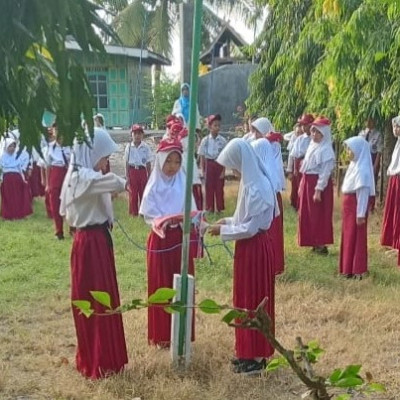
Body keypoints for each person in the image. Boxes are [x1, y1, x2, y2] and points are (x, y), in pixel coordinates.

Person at [59, 128, 128, 379]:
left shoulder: (85, 175)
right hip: (90, 244)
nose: (106, 162)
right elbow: (115, 182)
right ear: (91, 152)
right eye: (104, 156)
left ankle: (108, 358)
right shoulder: (82, 177)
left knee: (104, 299)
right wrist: (124, 182)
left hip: (95, 240)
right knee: (95, 300)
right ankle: (98, 360)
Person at [208, 138, 277, 376]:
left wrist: (224, 231)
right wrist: (225, 222)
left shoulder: (258, 188)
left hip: (255, 248)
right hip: (247, 249)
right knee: (244, 299)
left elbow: (251, 228)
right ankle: (246, 351)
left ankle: (256, 357)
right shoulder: (251, 183)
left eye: (235, 166)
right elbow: (242, 219)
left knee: (254, 299)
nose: (234, 171)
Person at [139, 138, 198, 347]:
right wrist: (163, 221)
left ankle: (182, 334)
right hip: (161, 240)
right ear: (160, 161)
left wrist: (186, 218)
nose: (172, 166)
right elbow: (149, 213)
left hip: (180, 239)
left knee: (183, 284)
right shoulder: (154, 185)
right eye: (168, 161)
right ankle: (162, 335)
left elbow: (192, 210)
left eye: (176, 161)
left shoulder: (183, 183)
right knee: (161, 285)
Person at [298, 117, 335, 254]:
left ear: (324, 134)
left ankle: (321, 242)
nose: (314, 134)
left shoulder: (326, 150)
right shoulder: (312, 146)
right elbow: (306, 167)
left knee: (319, 214)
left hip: (318, 184)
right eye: (313, 131)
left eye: (317, 132)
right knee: (307, 213)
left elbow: (325, 172)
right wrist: (303, 183)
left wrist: (318, 190)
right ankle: (312, 240)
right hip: (308, 182)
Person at [339, 136, 374, 279]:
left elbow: (363, 193)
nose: (347, 151)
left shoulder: (362, 169)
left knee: (356, 237)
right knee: (348, 236)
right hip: (349, 209)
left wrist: (360, 214)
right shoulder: (354, 166)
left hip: (355, 208)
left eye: (350, 149)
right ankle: (347, 268)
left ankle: (356, 269)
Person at [251, 138, 284, 275]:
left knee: (271, 238)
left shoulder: (267, 173)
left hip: (268, 211)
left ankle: (273, 265)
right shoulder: (265, 170)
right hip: (269, 209)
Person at [44, 124, 71, 239]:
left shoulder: (69, 147)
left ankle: (73, 228)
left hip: (67, 173)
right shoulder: (49, 147)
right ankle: (59, 231)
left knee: (70, 202)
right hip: (55, 174)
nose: (58, 131)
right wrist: (47, 183)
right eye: (56, 129)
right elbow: (47, 166)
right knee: (55, 203)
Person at [381, 116, 400, 266]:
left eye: (398, 127)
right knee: (394, 211)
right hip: (395, 179)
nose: (396, 130)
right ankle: (395, 243)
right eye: (394, 127)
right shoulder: (397, 144)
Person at [198, 114, 227, 213]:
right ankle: (209, 208)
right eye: (215, 125)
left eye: (219, 125)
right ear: (210, 127)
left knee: (219, 187)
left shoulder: (223, 141)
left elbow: (225, 157)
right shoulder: (205, 141)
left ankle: (220, 208)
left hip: (219, 163)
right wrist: (203, 170)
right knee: (209, 187)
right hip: (209, 164)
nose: (217, 127)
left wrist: (223, 171)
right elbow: (202, 155)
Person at [266, 131, 286, 275]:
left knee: (272, 233)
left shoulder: (273, 164)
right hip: (268, 198)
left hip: (271, 199)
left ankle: (274, 264)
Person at [0, 138, 33, 220]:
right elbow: (1, 170)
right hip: (7, 179)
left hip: (17, 178)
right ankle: (9, 214)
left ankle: (19, 214)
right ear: (6, 146)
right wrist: (1, 180)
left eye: (13, 146)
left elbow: (20, 169)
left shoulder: (17, 156)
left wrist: (23, 179)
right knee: (8, 197)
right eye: (10, 146)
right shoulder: (2, 157)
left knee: (18, 196)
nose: (12, 148)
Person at [124, 124, 152, 216]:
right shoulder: (129, 147)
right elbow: (126, 163)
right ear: (131, 134)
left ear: (142, 135)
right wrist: (127, 176)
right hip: (133, 171)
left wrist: (149, 176)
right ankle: (133, 213)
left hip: (142, 171)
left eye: (139, 133)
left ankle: (143, 212)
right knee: (133, 193)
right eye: (135, 133)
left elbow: (148, 163)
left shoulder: (146, 147)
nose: (137, 136)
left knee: (143, 192)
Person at [291, 114, 315, 210]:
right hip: (300, 163)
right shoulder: (300, 139)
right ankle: (299, 205)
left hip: (311, 164)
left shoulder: (315, 138)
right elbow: (294, 155)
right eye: (302, 125)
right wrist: (294, 168)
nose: (303, 128)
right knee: (299, 185)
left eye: (305, 125)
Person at [358, 118, 382, 211]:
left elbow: (379, 151)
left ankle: (371, 205)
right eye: (366, 120)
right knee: (362, 181)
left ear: (374, 122)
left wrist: (376, 164)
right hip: (362, 160)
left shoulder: (378, 134)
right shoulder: (361, 134)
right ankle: (362, 203)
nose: (368, 122)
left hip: (372, 158)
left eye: (370, 120)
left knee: (372, 183)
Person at [178, 125, 203, 210]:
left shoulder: (190, 156)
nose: (195, 143)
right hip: (189, 186)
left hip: (195, 183)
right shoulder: (182, 156)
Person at [285, 123, 303, 210]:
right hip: (295, 166)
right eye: (297, 133)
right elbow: (291, 157)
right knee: (295, 185)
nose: (299, 134)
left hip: (303, 166)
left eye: (300, 132)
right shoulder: (294, 140)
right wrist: (289, 170)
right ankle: (295, 203)